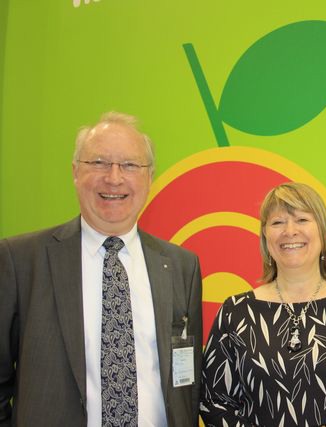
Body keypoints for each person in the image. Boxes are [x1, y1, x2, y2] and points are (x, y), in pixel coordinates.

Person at [0, 112, 202, 427]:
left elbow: (186, 379)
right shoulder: (21, 260)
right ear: (75, 172)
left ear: (149, 177)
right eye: (98, 163)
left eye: (130, 165)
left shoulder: (181, 266)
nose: (114, 178)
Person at [200, 182, 326, 427]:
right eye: (277, 222)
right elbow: (214, 403)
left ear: (323, 232)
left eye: (302, 220)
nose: (290, 231)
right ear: (265, 236)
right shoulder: (236, 311)